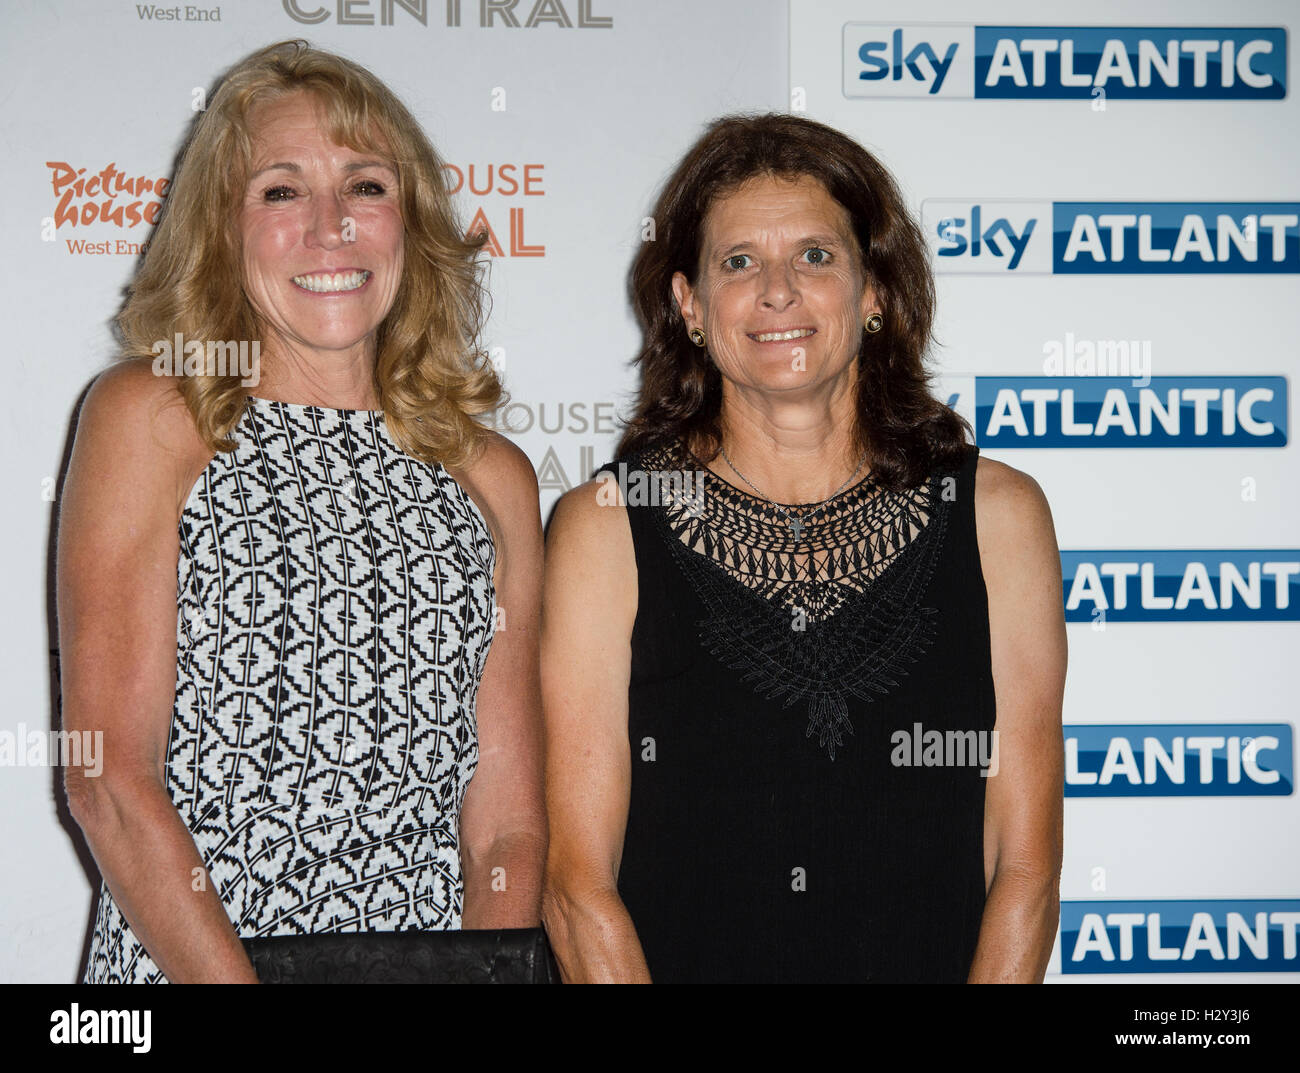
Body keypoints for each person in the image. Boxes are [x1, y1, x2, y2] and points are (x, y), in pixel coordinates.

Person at [58, 40, 546, 983]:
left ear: (410, 221)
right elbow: (109, 779)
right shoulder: (153, 417)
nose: (332, 228)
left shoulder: (491, 478)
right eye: (281, 192)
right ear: (222, 229)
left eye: (365, 186)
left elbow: (507, 824)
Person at [541, 113, 1065, 983]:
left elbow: (1027, 868)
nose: (777, 290)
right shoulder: (606, 526)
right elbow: (576, 886)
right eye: (738, 261)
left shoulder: (997, 516)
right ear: (690, 306)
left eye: (816, 256)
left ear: (874, 292)